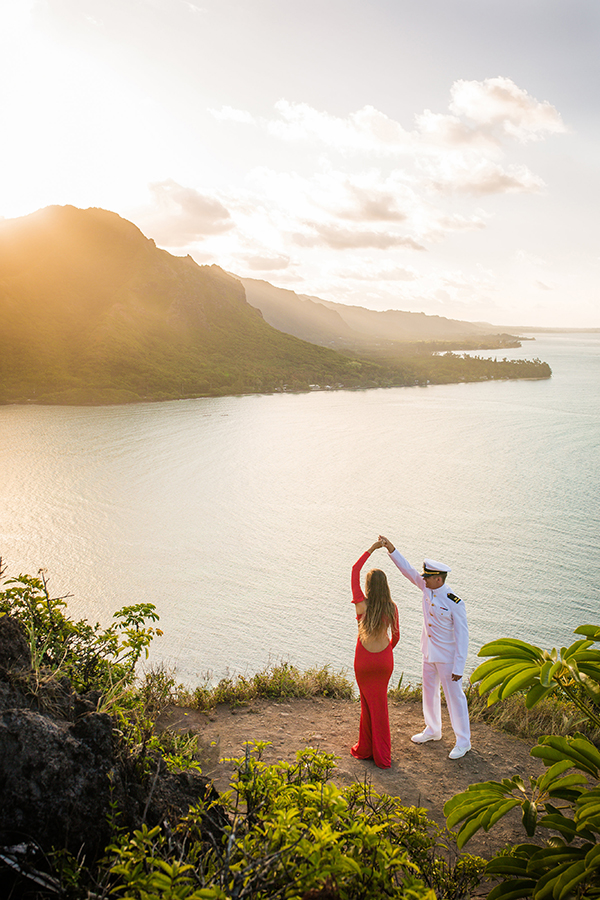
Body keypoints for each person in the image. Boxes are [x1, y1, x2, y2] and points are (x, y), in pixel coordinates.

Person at [378, 535, 471, 759]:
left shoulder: (454, 602)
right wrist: (391, 549)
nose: (423, 579)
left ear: (438, 579)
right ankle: (433, 730)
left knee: (454, 698)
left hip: (448, 658)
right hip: (428, 652)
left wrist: (459, 666)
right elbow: (408, 570)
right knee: (428, 693)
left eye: (428, 577)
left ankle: (463, 741)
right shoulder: (427, 588)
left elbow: (463, 636)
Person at [350, 539, 400, 768]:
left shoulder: (362, 605)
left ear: (368, 586)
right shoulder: (392, 607)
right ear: (386, 586)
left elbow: (354, 570)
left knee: (367, 704)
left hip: (364, 661)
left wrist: (372, 548)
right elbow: (396, 637)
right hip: (383, 661)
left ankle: (367, 749)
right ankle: (380, 754)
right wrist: (385, 652)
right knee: (380, 705)